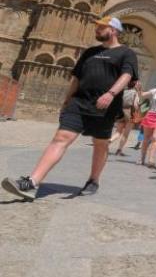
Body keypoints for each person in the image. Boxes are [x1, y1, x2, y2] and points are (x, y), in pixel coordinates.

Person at [1, 16, 138, 200]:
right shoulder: (90, 52)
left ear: (113, 30)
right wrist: (66, 101)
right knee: (61, 137)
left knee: (100, 143)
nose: (96, 30)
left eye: (101, 27)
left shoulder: (126, 53)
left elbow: (127, 75)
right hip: (79, 102)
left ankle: (93, 180)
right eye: (96, 27)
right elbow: (76, 78)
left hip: (105, 106)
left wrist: (111, 94)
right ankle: (32, 182)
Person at [110, 82, 138, 155]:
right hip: (129, 112)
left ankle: (110, 140)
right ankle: (119, 150)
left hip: (121, 111)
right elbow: (135, 105)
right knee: (125, 134)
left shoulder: (123, 91)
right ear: (135, 85)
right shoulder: (135, 92)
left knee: (118, 132)